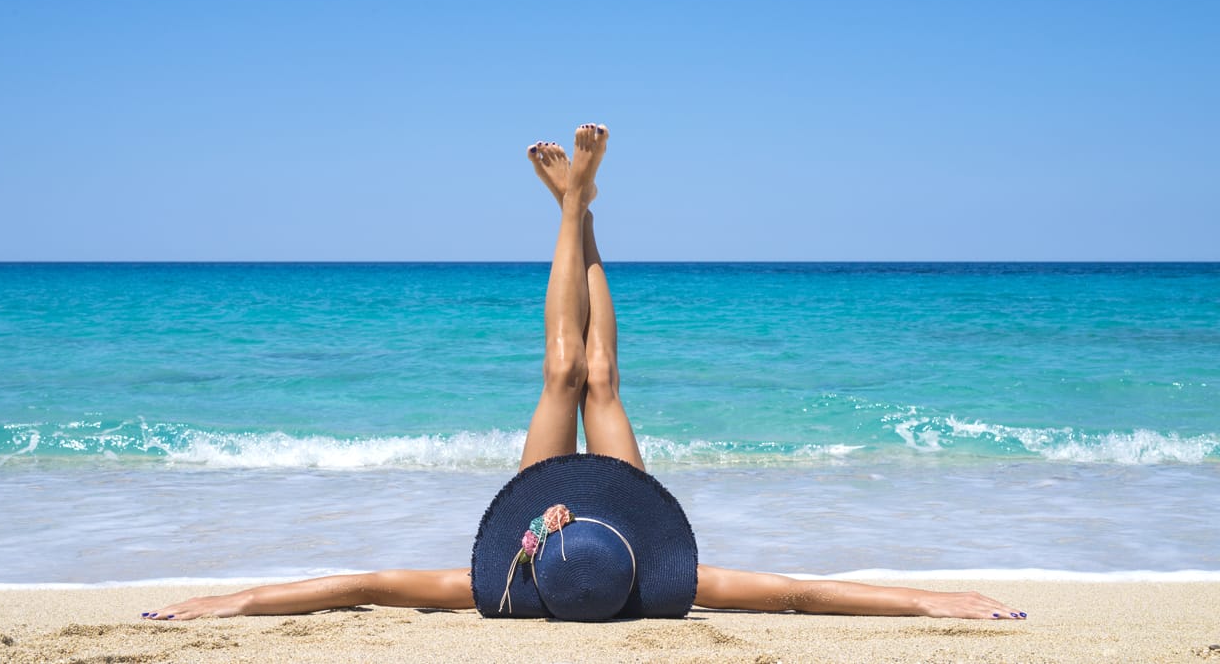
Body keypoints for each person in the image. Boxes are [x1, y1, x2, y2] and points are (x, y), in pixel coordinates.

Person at [143, 124, 1025, 622]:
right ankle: (579, 209)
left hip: (548, 519)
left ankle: (571, 207)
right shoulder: (674, 587)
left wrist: (234, 600)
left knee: (563, 371)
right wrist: (933, 600)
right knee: (601, 376)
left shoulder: (499, 582)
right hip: (610, 511)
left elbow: (363, 585)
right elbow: (800, 594)